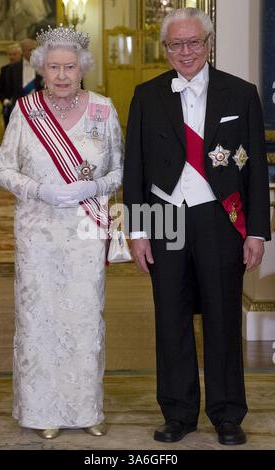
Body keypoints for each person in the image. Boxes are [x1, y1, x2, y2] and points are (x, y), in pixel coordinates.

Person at [123, 7, 270, 445]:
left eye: (193, 43)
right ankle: (178, 412)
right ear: (165, 49)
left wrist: (257, 231)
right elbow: (136, 169)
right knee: (170, 318)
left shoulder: (240, 93)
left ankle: (227, 414)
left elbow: (256, 171)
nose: (185, 52)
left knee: (223, 318)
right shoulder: (146, 95)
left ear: (208, 45)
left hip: (217, 217)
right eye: (176, 44)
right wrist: (137, 230)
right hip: (165, 214)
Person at [0, 25, 123, 439]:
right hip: (38, 231)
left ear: (82, 68)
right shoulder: (26, 109)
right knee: (41, 319)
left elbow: (119, 170)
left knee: (85, 317)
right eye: (54, 67)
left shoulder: (103, 109)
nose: (63, 75)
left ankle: (87, 409)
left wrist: (95, 186)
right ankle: (42, 409)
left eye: (70, 67)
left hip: (86, 228)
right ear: (42, 70)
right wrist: (38, 189)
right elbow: (2, 169)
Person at [7, 39, 44, 112]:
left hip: (38, 106)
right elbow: (9, 89)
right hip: (19, 107)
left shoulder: (43, 66)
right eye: (30, 50)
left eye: (35, 49)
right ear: (23, 51)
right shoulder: (12, 68)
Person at [0, 44, 22, 127]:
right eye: (10, 54)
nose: (12, 57)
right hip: (9, 108)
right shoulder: (4, 69)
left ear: (20, 54)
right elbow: (0, 90)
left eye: (14, 54)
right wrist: (5, 100)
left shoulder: (26, 69)